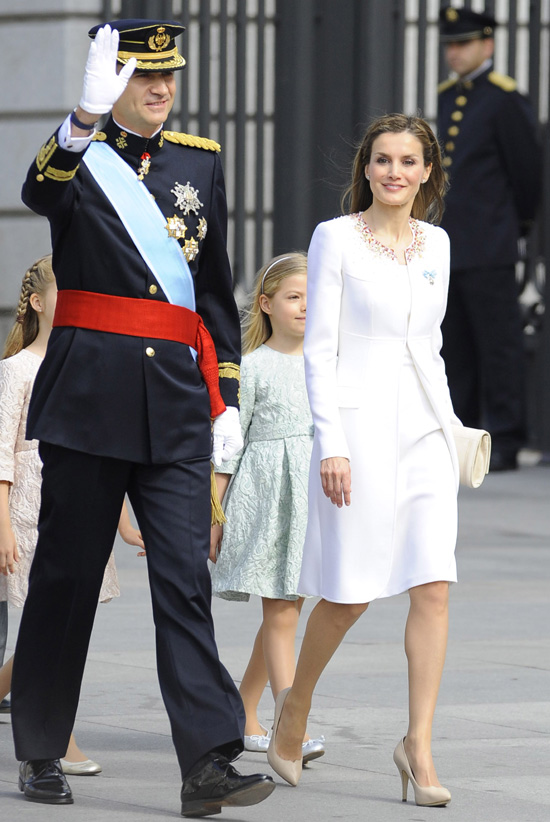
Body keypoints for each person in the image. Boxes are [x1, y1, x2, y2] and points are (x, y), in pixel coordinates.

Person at [13, 20, 274, 815]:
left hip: (174, 407)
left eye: (169, 77)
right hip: (89, 398)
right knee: (65, 577)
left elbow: (217, 287)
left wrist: (224, 395)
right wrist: (84, 120)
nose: (160, 90)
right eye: (143, 77)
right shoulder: (78, 154)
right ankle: (41, 745)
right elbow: (37, 193)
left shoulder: (201, 162)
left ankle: (208, 760)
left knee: (184, 582)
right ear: (112, 82)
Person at [266, 113, 459, 807]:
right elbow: (319, 348)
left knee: (433, 586)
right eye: (382, 160)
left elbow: (429, 346)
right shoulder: (335, 239)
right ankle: (294, 709)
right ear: (367, 169)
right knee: (348, 595)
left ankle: (419, 745)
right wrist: (333, 443)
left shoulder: (436, 243)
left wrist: (453, 427)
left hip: (425, 434)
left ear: (427, 171)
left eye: (409, 161)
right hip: (358, 430)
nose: (394, 172)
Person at [0, 256, 146, 775]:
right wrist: (2, 530)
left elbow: (106, 449)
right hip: (26, 510)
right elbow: (0, 455)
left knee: (63, 618)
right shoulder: (15, 371)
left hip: (80, 505)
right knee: (53, 620)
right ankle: (58, 738)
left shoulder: (89, 366)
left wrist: (123, 522)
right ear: (39, 303)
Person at [210, 253, 324, 763]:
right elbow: (230, 444)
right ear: (266, 304)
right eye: (293, 297)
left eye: (311, 297)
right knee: (280, 607)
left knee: (289, 606)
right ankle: (289, 724)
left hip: (314, 497)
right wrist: (215, 509)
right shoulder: (251, 367)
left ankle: (243, 709)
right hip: (268, 496)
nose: (305, 307)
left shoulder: (329, 363)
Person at [437, 6, 541, 471]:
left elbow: (527, 175)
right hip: (451, 242)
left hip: (490, 242)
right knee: (454, 344)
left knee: (497, 344)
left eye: (463, 43)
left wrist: (512, 229)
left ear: (488, 45)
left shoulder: (504, 99)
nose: (453, 53)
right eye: (450, 44)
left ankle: (505, 437)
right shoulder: (447, 96)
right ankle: (463, 435)